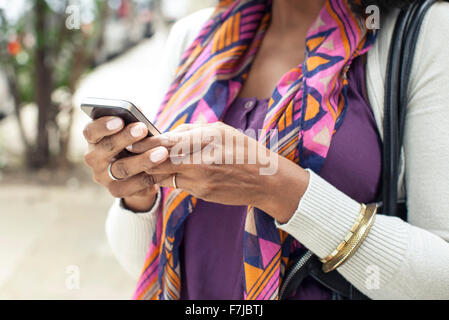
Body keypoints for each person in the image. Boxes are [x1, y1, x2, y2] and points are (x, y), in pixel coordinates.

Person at [82, 0, 449, 299]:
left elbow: (441, 279)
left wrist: (276, 189)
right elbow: (148, 263)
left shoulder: (425, 34)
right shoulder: (195, 37)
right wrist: (139, 192)